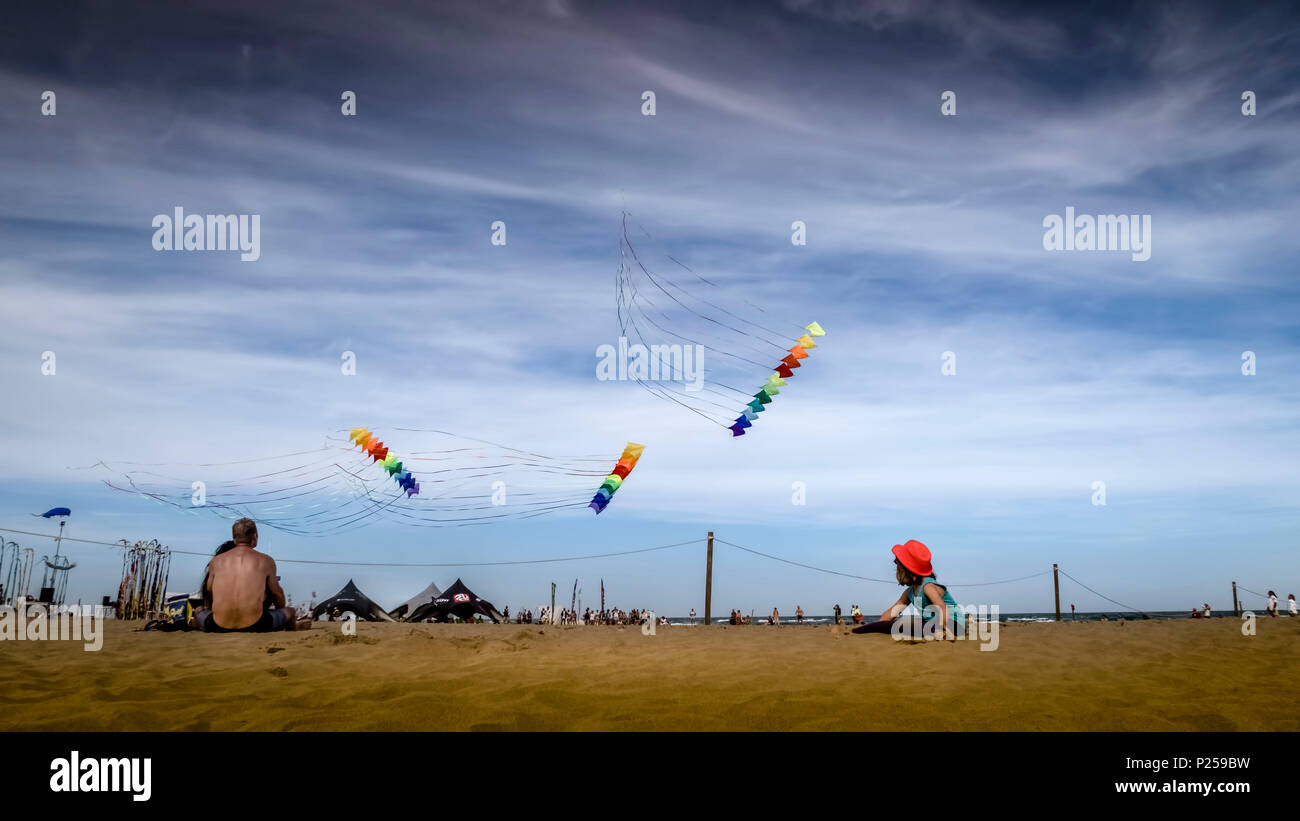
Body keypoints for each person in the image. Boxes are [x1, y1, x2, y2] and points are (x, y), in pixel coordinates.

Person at [191, 519, 302, 633]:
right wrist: (281, 608)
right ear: (255, 536)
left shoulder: (216, 561)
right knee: (290, 611)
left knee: (199, 610)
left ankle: (196, 625)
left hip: (217, 626)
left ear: (234, 538)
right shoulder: (266, 561)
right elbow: (277, 593)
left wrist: (210, 610)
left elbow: (209, 592)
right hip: (256, 625)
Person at [853, 539, 963, 641]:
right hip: (931, 624)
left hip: (952, 623)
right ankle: (863, 629)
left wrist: (941, 629)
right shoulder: (909, 592)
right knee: (899, 624)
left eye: (897, 567)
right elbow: (893, 611)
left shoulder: (928, 587)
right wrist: (880, 624)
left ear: (907, 570)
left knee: (907, 623)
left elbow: (943, 609)